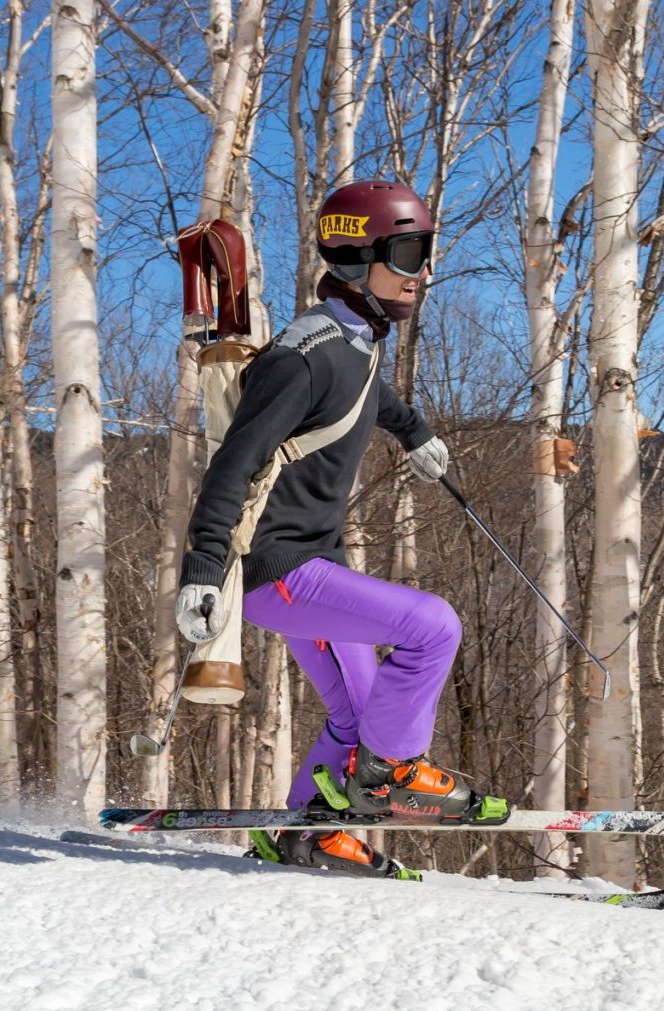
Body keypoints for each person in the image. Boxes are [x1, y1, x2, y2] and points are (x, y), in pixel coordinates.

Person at [174, 180, 498, 877]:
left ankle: (305, 835)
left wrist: (413, 433)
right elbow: (236, 460)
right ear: (357, 258)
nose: (423, 272)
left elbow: (367, 390)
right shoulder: (303, 353)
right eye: (409, 253)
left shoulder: (355, 337)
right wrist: (204, 567)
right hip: (279, 570)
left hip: (312, 564)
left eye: (425, 251)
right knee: (433, 628)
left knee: (357, 711)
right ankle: (392, 776)